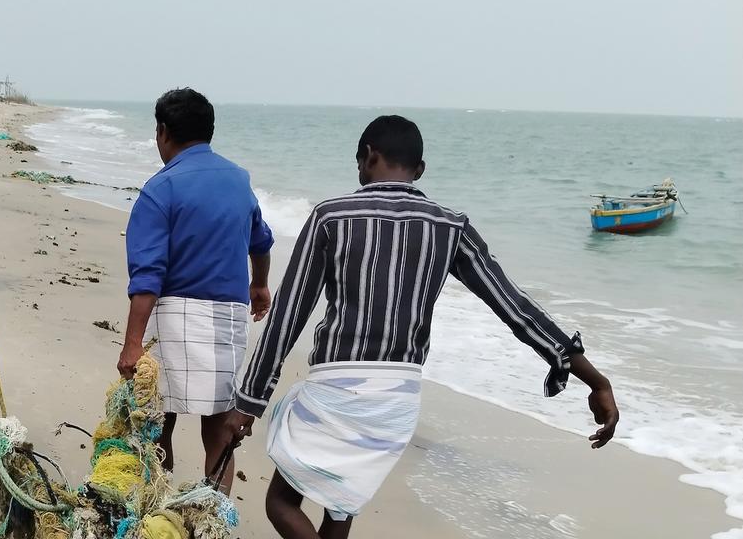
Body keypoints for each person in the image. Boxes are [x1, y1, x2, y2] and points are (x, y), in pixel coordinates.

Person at [224, 116, 620, 539]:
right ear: (421, 169)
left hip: (336, 388)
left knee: (281, 502)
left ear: (368, 157)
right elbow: (516, 308)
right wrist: (595, 380)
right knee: (340, 507)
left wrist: (249, 401)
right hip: (396, 400)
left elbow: (288, 315)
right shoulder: (450, 227)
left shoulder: (331, 217)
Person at [117, 88, 274, 493]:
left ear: (163, 131)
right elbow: (261, 241)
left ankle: (158, 509)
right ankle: (213, 522)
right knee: (219, 428)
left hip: (176, 314)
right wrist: (259, 284)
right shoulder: (239, 181)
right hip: (229, 318)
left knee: (158, 422)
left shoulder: (161, 188)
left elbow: (148, 277)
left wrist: (132, 343)